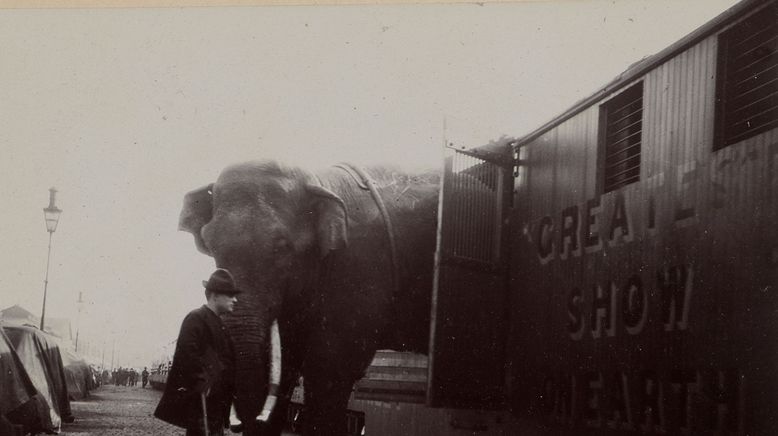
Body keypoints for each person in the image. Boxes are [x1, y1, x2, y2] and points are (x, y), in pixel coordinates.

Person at [154, 268, 240, 436]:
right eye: (230, 295)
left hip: (216, 405)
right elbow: (187, 357)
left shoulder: (221, 325)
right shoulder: (196, 319)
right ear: (215, 295)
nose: (235, 300)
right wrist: (204, 385)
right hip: (202, 404)